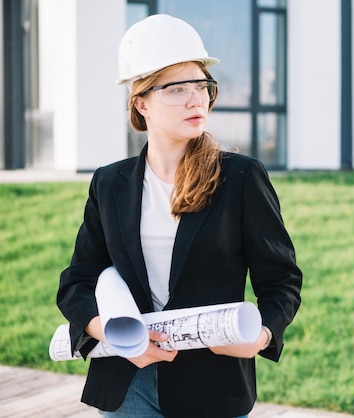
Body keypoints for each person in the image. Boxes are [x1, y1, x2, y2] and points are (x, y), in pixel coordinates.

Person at [56, 14, 302, 418]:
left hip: (212, 385)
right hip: (126, 383)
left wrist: (260, 336)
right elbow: (77, 281)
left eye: (203, 87)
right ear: (141, 103)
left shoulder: (239, 177)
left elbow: (281, 280)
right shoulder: (109, 183)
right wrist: (116, 337)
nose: (196, 99)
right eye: (177, 89)